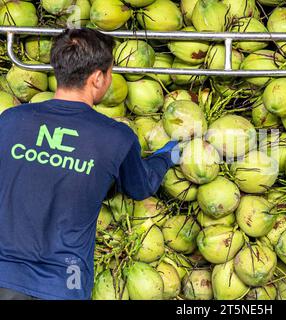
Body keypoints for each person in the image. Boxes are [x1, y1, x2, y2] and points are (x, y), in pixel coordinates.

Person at [0, 28, 179, 300]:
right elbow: (141, 187)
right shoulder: (115, 137)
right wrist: (167, 156)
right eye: (110, 73)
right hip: (63, 284)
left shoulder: (10, 121)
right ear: (97, 78)